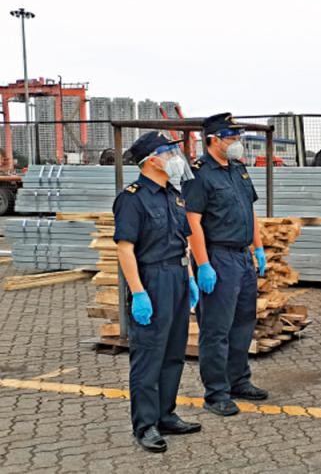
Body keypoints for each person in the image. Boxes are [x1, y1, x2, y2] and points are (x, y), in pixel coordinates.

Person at [112, 131, 201, 453]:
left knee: (173, 352)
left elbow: (183, 243)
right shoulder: (132, 198)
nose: (175, 158)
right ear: (151, 160)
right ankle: (145, 424)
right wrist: (138, 292)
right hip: (152, 279)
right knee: (149, 356)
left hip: (177, 276)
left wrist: (189, 278)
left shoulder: (173, 195)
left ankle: (166, 414)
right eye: (169, 153)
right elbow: (125, 249)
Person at [183, 113, 268, 417]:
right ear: (213, 140)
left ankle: (238, 381)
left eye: (237, 137)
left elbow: (250, 211)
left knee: (243, 322)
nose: (236, 142)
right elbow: (192, 222)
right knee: (216, 329)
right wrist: (203, 264)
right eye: (230, 137)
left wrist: (258, 248)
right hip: (218, 257)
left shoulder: (238, 169)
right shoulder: (198, 174)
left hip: (242, 257)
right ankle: (216, 393)